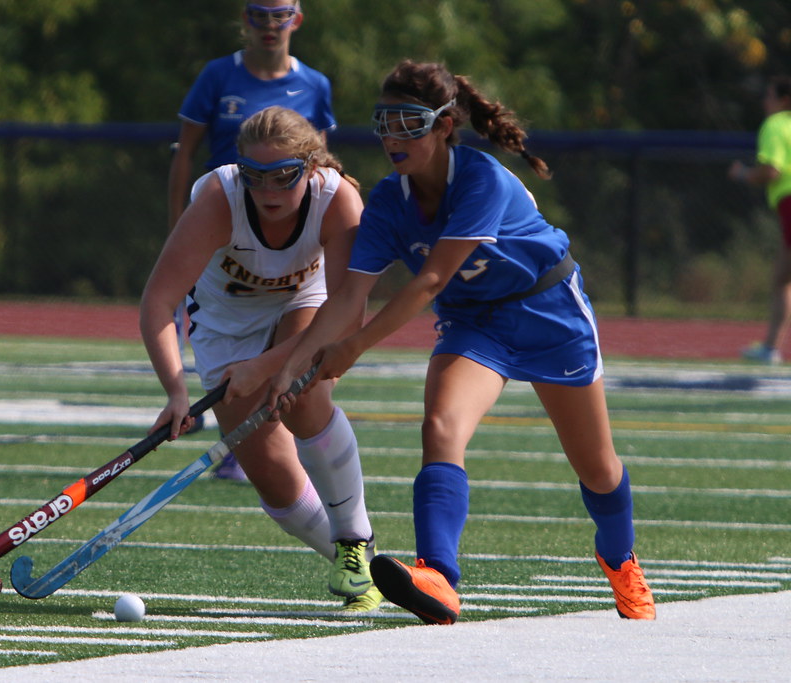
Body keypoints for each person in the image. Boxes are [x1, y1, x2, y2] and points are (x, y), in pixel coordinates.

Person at [268, 60, 656, 624]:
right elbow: (348, 299)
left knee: (596, 466)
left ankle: (620, 559)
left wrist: (354, 349)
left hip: (549, 312)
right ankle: (439, 578)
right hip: (476, 322)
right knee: (440, 427)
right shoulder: (386, 201)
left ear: (445, 125)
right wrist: (294, 363)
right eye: (383, 123)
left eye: (408, 123)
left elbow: (430, 280)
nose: (392, 138)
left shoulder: (482, 178)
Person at [141, 106, 380, 612]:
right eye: (255, 176)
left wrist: (270, 367)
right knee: (271, 472)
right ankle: (364, 565)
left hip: (309, 305)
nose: (268, 192)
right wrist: (176, 390)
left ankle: (356, 543)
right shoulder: (217, 199)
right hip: (226, 327)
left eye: (283, 177)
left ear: (311, 169)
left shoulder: (338, 201)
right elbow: (159, 303)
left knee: (303, 399)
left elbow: (346, 311)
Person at [167, 1, 337, 479]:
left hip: (292, 242)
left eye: (280, 14)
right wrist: (178, 221)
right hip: (228, 233)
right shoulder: (217, 75)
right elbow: (186, 153)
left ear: (296, 20)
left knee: (300, 352)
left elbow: (324, 161)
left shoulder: (315, 84)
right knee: (229, 336)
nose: (269, 25)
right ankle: (248, 444)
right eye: (258, 13)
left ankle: (332, 498)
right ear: (245, 18)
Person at [729, 75, 791, 365]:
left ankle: (770, 348)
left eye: (769, 96)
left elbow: (772, 171)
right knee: (781, 277)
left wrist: (742, 174)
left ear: (783, 100)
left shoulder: (775, 125)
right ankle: (770, 347)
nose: (765, 102)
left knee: (782, 278)